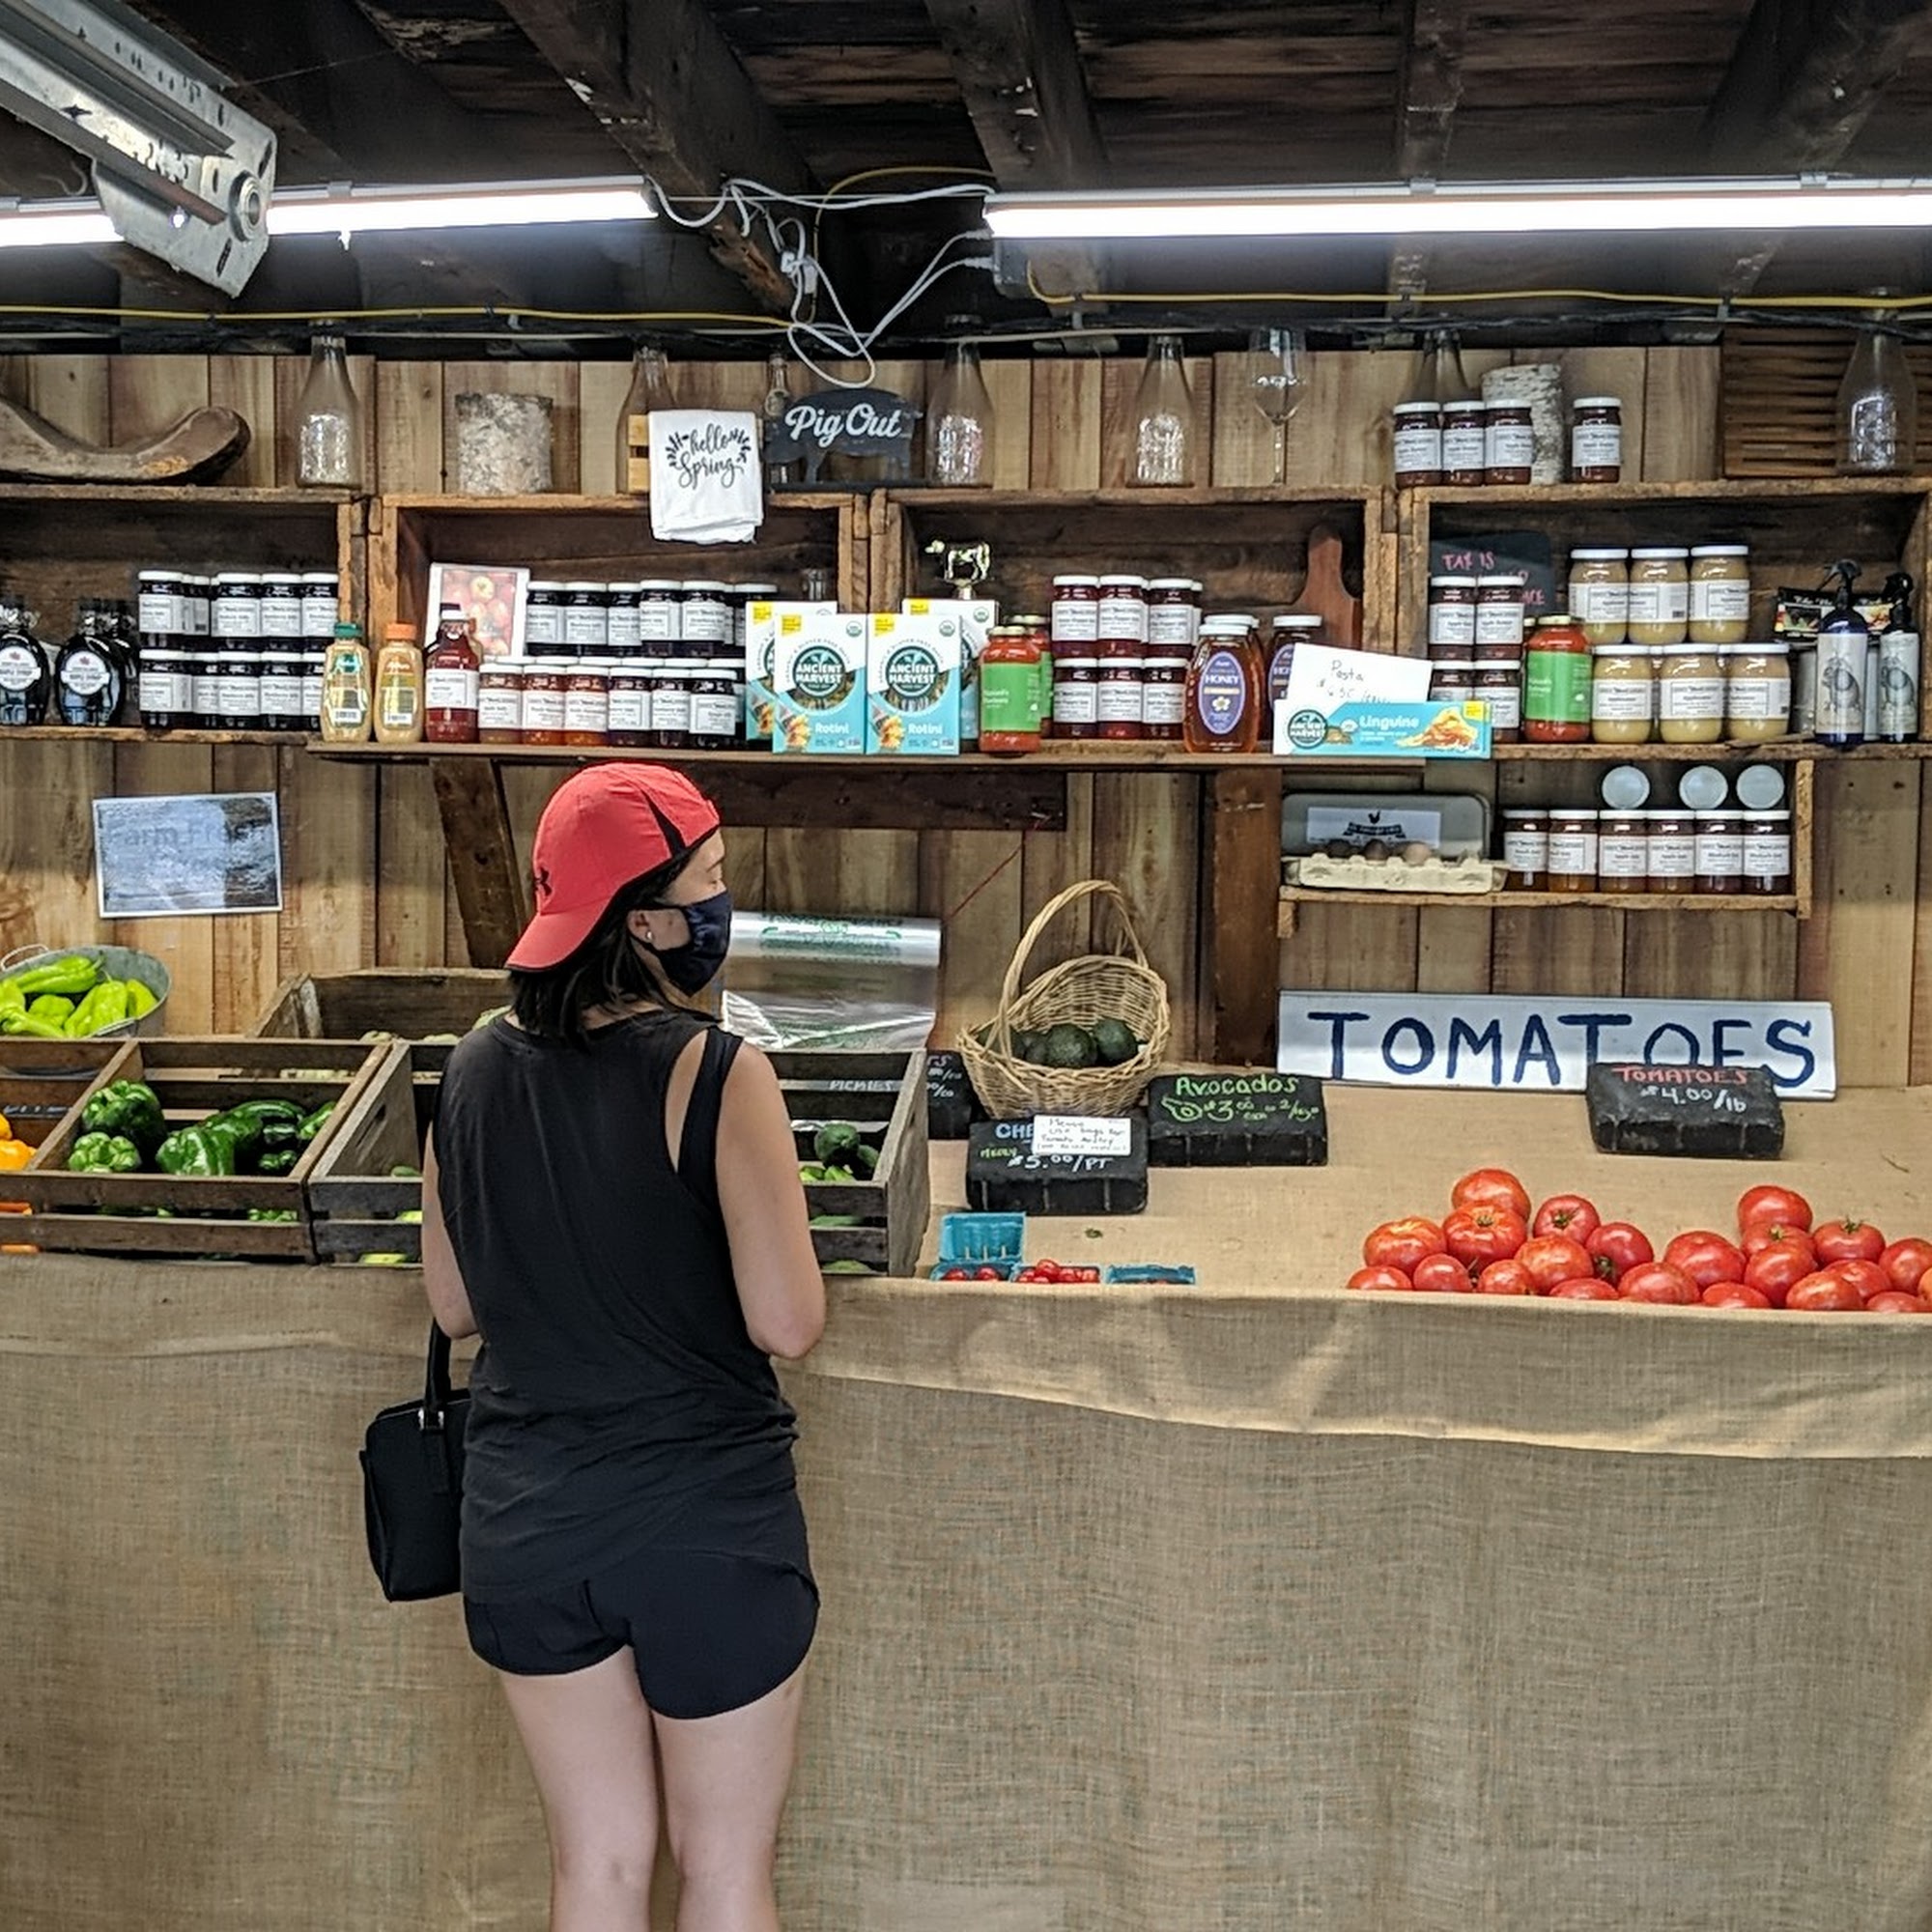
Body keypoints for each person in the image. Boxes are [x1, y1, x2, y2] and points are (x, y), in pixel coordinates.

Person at [420, 762, 826, 1932]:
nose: (720, 903)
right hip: (706, 1526)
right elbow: (786, 1320)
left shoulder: (470, 1068)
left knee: (595, 1865)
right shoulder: (718, 1072)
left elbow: (454, 1304)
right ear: (641, 920)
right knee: (722, 1868)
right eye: (707, 881)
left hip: (529, 1526)